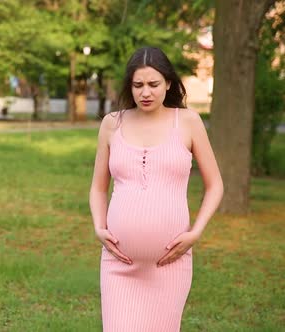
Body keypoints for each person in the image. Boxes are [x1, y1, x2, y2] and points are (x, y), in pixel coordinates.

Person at [89, 46, 224, 331]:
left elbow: (215, 185)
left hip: (169, 265)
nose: (145, 92)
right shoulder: (112, 124)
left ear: (169, 84)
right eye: (138, 85)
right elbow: (99, 188)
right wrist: (99, 227)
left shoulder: (187, 122)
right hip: (119, 265)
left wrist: (195, 233)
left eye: (153, 84)